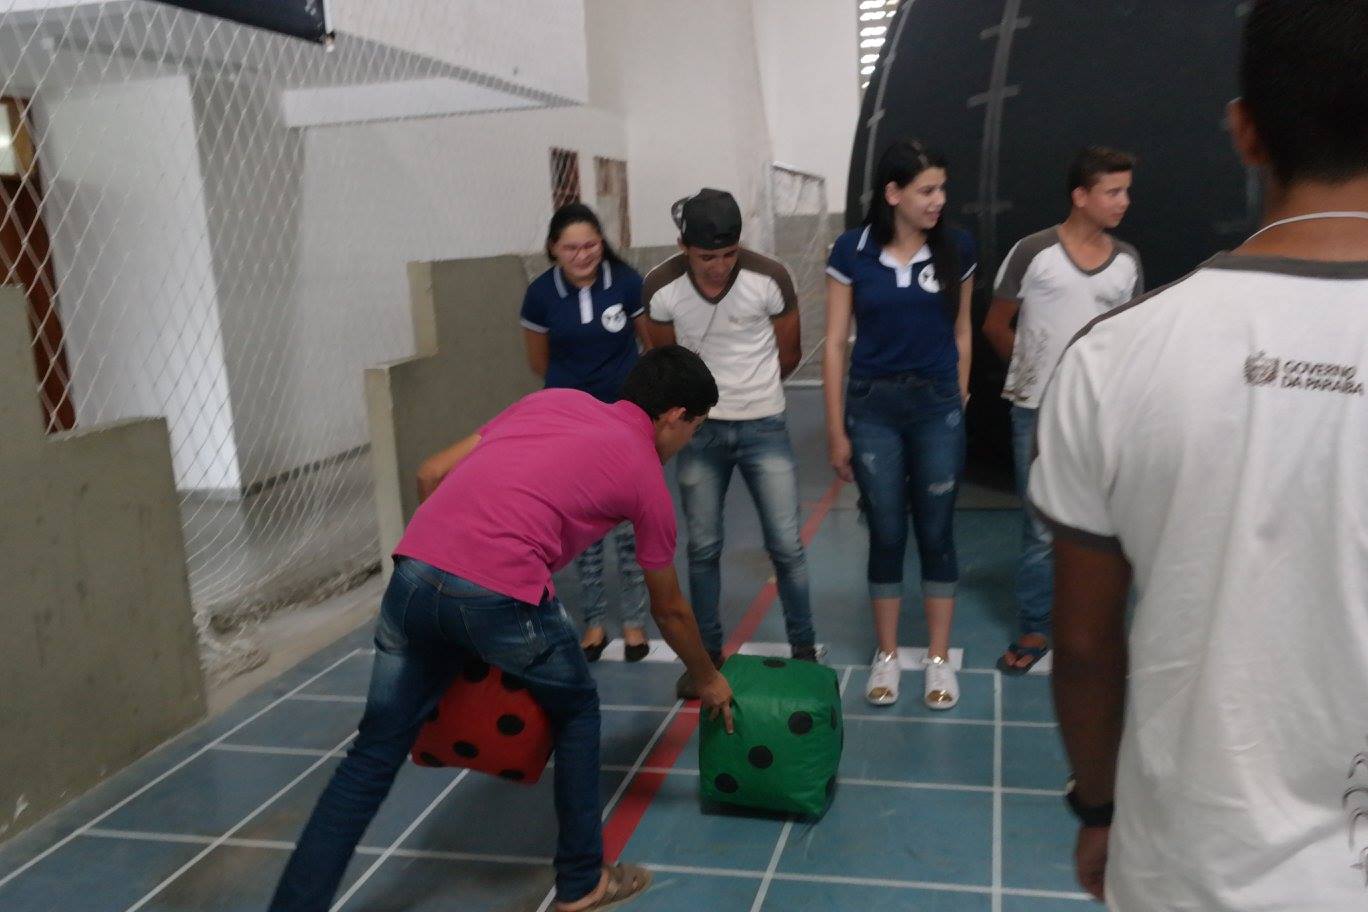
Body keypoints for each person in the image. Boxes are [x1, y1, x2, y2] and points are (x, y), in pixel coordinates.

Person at [1032, 1, 1368, 907]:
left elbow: (1086, 643)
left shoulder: (1116, 357)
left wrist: (1098, 806)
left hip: (1187, 868)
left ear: (1245, 131)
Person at [268, 347, 732, 912]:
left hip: (413, 574)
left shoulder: (553, 401)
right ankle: (582, 881)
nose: (688, 441)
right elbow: (670, 609)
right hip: (500, 593)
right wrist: (707, 677)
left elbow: (431, 473)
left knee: (371, 754)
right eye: (694, 428)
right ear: (675, 416)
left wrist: (454, 573)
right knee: (577, 710)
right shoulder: (645, 478)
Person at [643, 188, 818, 699]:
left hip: (764, 424)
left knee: (786, 545)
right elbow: (667, 364)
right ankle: (707, 658)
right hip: (700, 432)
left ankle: (805, 653)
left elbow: (790, 353)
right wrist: (700, 412)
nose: (719, 267)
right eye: (706, 257)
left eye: (728, 254)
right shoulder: (661, 288)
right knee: (702, 547)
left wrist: (752, 394)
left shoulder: (771, 277)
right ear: (683, 247)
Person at [823, 139, 977, 709]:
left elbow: (962, 329)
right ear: (893, 193)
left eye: (942, 189)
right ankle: (886, 654)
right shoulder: (852, 250)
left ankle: (937, 660)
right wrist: (837, 429)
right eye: (926, 190)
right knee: (887, 532)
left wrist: (959, 392)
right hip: (873, 410)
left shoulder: (957, 247)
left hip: (936, 406)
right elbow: (834, 344)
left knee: (936, 531)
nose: (939, 200)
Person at [982, 147, 1143, 676]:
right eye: (1112, 191)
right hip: (1035, 414)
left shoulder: (1127, 262)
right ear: (1081, 196)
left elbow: (1130, 339)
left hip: (1102, 418)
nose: (1124, 201)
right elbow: (996, 324)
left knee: (1105, 523)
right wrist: (1034, 377)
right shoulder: (1033, 253)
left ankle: (1098, 626)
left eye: (1126, 190)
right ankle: (1035, 626)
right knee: (1040, 528)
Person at [522, 202, 653, 662]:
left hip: (624, 421)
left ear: (602, 243)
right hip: (568, 425)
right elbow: (539, 362)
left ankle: (635, 622)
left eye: (591, 245)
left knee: (628, 526)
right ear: (554, 250)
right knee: (583, 527)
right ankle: (595, 621)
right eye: (571, 248)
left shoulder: (628, 282)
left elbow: (651, 344)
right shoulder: (540, 295)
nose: (583, 256)